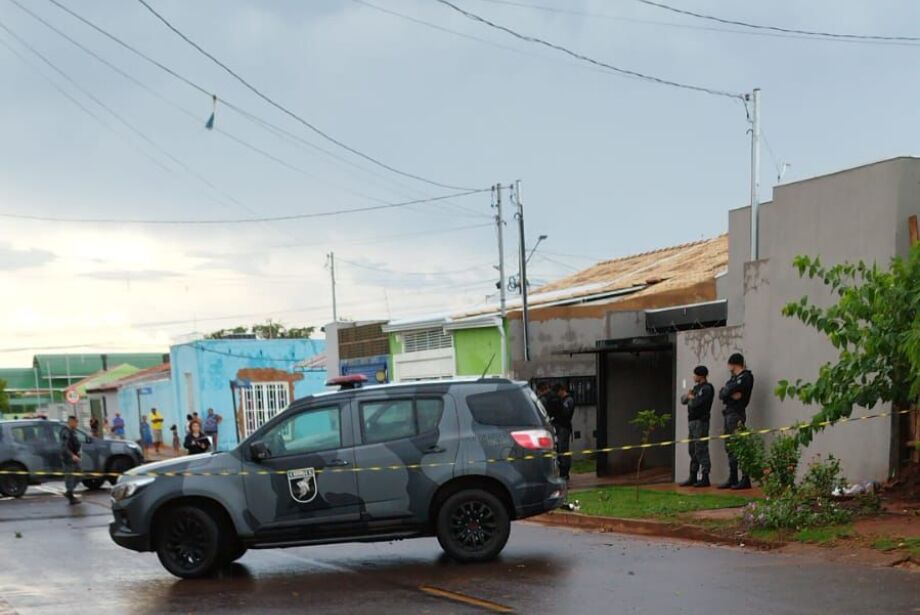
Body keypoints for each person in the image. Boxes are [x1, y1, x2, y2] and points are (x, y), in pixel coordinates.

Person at [718, 353, 755, 490]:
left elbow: (734, 391)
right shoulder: (733, 379)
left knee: (739, 445)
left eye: (729, 364)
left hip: (737, 414)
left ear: (733, 364)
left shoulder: (746, 377)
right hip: (728, 413)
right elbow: (723, 393)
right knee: (730, 447)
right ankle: (733, 478)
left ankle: (745, 478)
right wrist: (729, 394)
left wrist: (729, 393)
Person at [679, 365, 715, 487]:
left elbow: (695, 403)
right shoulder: (695, 388)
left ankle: (705, 476)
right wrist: (689, 396)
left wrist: (691, 397)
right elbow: (683, 400)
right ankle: (693, 475)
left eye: (695, 375)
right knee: (692, 449)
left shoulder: (707, 389)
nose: (693, 377)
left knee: (701, 448)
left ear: (700, 376)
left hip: (701, 421)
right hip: (692, 421)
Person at [549, 383, 575, 480]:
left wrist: (559, 406)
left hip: (564, 427)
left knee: (563, 450)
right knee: (559, 450)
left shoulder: (568, 400)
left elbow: (566, 414)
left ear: (561, 390)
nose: (557, 395)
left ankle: (565, 473)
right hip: (559, 427)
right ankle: (562, 471)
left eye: (558, 392)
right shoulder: (562, 400)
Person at [60, 415, 82, 505]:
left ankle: (69, 492)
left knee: (79, 474)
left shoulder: (72, 431)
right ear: (71, 422)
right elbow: (64, 447)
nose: (77, 424)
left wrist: (78, 453)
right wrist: (72, 455)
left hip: (74, 457)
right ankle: (70, 495)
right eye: (76, 422)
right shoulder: (66, 432)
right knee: (70, 477)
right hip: (68, 459)